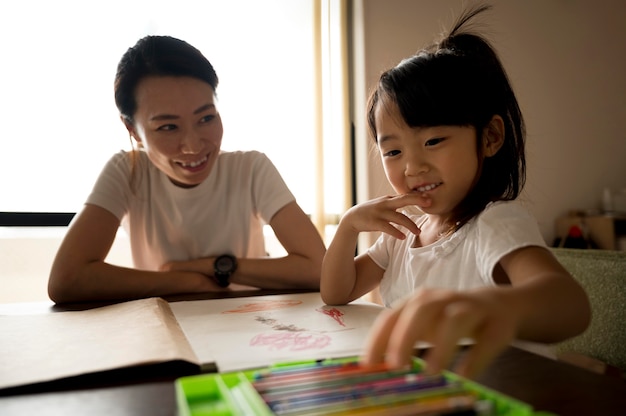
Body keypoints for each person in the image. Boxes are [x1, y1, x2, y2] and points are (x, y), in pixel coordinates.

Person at [320, 4, 590, 378]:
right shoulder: (403, 234)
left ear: (491, 137)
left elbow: (570, 306)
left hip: (505, 393)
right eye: (393, 151)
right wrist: (349, 225)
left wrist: (492, 308)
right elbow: (336, 292)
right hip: (435, 392)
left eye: (433, 141)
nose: (412, 167)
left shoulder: (494, 223)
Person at [48, 35, 326, 303]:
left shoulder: (250, 168)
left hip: (247, 326)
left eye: (206, 118)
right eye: (168, 127)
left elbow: (319, 269)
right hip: (165, 331)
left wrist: (210, 266)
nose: (193, 146)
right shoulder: (127, 171)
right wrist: (189, 281)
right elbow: (67, 279)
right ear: (132, 129)